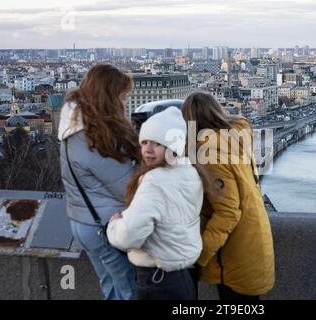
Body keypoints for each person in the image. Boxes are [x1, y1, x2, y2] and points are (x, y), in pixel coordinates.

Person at [182, 92, 275, 300]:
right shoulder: (235, 139)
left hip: (233, 253)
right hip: (253, 238)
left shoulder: (210, 154)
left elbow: (228, 213)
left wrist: (199, 255)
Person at [106, 107, 206, 300]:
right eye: (144, 142)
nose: (148, 150)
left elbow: (128, 236)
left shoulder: (155, 180)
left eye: (157, 143)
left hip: (157, 279)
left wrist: (115, 224)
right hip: (183, 277)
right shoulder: (190, 172)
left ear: (172, 148)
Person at [59, 64, 139, 300]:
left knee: (111, 286)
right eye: (121, 96)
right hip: (105, 225)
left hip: (84, 220)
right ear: (109, 96)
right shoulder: (93, 138)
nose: (124, 102)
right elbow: (126, 188)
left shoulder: (73, 128)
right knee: (128, 290)